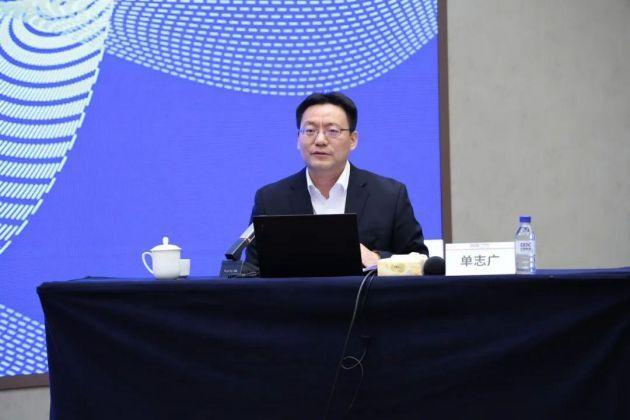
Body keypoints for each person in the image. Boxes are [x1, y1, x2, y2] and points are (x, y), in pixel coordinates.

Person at [245, 92, 428, 268]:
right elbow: (252, 271)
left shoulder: (389, 196)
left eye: (332, 131)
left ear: (353, 140)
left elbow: (420, 261)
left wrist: (378, 259)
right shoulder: (270, 200)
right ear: (298, 139)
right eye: (310, 130)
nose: (320, 140)